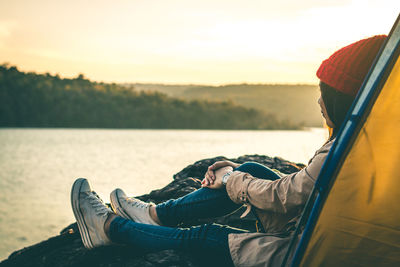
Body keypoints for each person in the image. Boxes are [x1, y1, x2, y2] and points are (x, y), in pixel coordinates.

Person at [70, 35, 386, 267]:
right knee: (255, 170)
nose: (319, 102)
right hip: (330, 236)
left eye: (324, 94)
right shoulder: (367, 142)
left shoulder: (349, 151)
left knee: (205, 237)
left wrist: (231, 178)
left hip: (307, 254)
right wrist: (238, 172)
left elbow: (287, 195)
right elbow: (310, 188)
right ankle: (154, 215)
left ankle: (110, 229)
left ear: (343, 100)